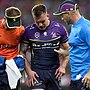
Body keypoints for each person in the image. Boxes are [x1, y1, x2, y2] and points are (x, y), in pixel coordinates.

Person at [20, 4, 69, 90]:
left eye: (42, 21)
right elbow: (22, 52)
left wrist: (63, 67)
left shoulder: (59, 29)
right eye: (37, 22)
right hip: (37, 72)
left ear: (47, 15)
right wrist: (29, 72)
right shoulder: (28, 31)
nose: (40, 24)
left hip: (55, 72)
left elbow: (68, 49)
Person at [53, 0, 90, 90]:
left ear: (68, 13)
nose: (62, 18)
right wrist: (65, 52)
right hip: (76, 78)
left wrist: (89, 74)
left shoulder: (85, 28)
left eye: (62, 15)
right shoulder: (74, 27)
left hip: (85, 78)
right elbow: (79, 49)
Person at [0, 6, 31, 90]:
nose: (13, 27)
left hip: (13, 67)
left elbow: (25, 48)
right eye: (11, 25)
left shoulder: (20, 30)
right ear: (5, 18)